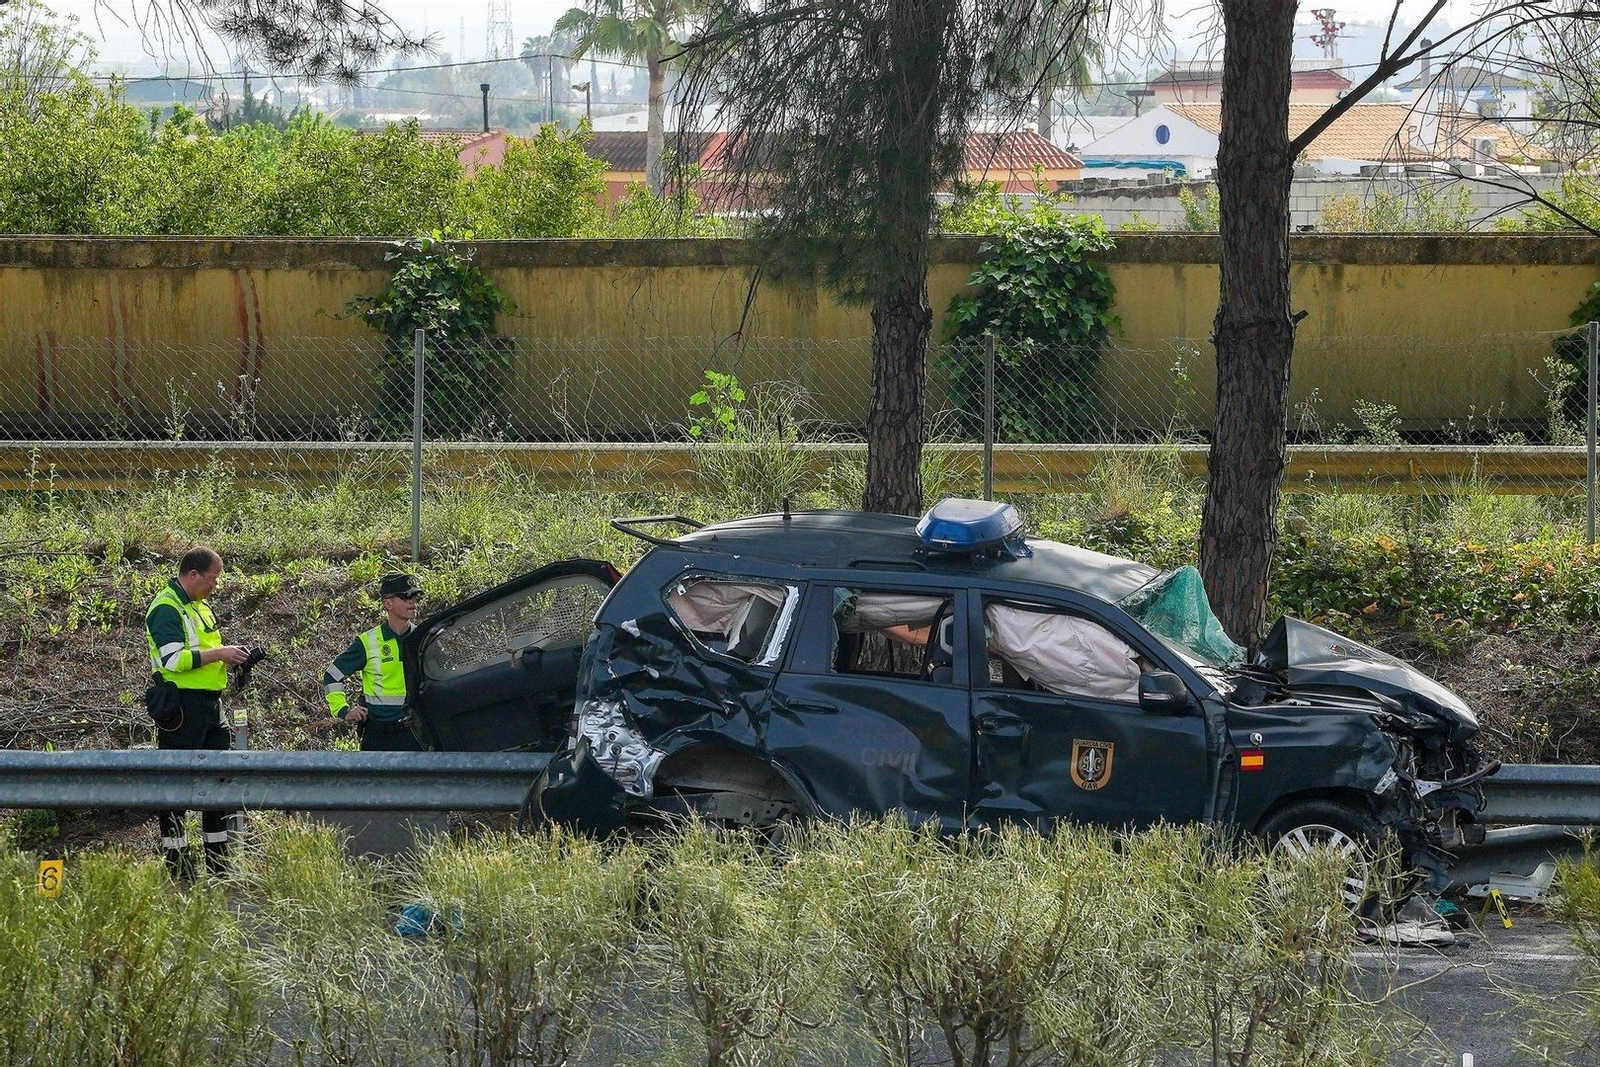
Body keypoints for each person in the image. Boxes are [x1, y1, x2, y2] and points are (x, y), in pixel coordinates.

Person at [144, 546, 250, 879]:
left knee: (216, 785)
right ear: (193, 575)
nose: (216, 585)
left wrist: (234, 659)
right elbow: (173, 660)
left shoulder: (200, 607)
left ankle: (219, 867)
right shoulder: (165, 607)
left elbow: (204, 654)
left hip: (209, 705)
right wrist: (221, 652)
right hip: (182, 707)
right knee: (176, 788)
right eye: (213, 578)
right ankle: (178, 869)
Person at [323, 573, 424, 751]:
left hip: (415, 735)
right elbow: (332, 677)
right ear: (388, 603)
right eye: (406, 597)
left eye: (414, 597)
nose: (413, 602)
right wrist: (343, 711)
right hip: (378, 736)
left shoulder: (422, 639)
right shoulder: (367, 642)